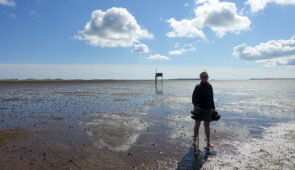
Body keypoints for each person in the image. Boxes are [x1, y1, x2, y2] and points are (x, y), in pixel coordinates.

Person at [192, 71, 215, 150]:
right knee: (197, 125)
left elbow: (212, 97)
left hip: (208, 109)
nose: (204, 77)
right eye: (202, 76)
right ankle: (194, 141)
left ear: (208, 77)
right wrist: (196, 105)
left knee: (207, 126)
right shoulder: (198, 86)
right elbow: (194, 97)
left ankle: (208, 142)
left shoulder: (210, 86)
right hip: (199, 109)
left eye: (205, 76)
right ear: (200, 78)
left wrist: (213, 107)